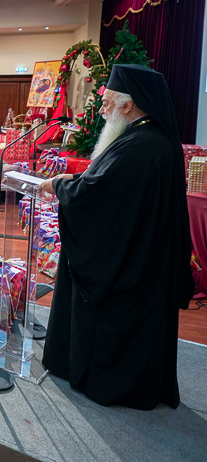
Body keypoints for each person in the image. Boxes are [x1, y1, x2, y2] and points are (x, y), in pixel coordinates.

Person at [39, 65, 194, 410]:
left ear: (128, 106)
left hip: (128, 263)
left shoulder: (141, 145)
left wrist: (59, 185)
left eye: (108, 103)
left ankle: (104, 382)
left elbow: (100, 195)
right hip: (142, 253)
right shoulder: (149, 137)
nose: (103, 110)